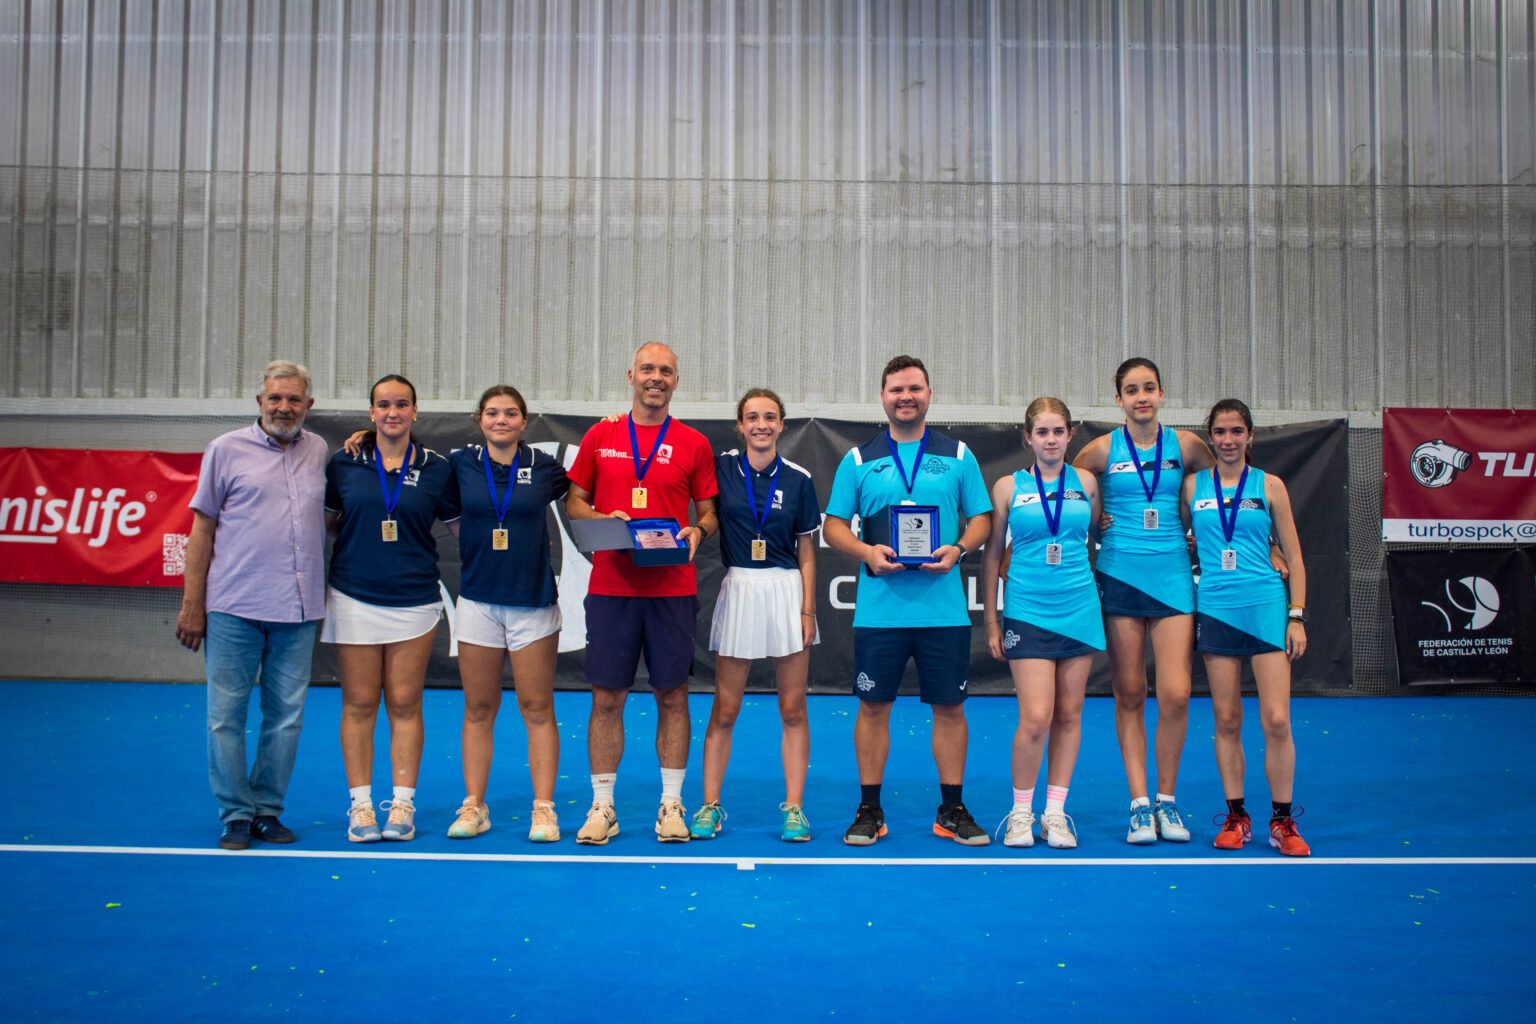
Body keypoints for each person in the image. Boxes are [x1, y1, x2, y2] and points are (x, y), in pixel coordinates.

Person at [823, 355, 994, 847]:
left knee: (950, 708)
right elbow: (834, 525)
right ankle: (870, 809)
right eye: (897, 389)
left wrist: (960, 547)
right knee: (873, 708)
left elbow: (980, 517)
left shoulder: (959, 454)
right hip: (881, 611)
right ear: (882, 396)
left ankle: (953, 808)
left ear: (929, 394)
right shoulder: (859, 459)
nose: (906, 397)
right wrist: (865, 552)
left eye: (915, 388)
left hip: (943, 610)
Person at [565, 342, 719, 844]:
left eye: (666, 371)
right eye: (648, 369)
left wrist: (698, 531)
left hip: (672, 587)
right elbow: (575, 504)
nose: (656, 378)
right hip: (612, 587)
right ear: (630, 374)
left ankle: (671, 804)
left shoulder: (694, 443)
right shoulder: (600, 434)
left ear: (677, 381)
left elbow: (709, 512)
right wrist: (601, 519)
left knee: (673, 695)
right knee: (607, 697)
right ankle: (602, 807)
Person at [175, 360, 328, 850]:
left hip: (299, 612)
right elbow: (201, 529)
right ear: (259, 402)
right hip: (233, 607)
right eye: (275, 399)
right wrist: (192, 604)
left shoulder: (320, 450)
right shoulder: (224, 450)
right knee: (226, 716)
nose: (284, 407)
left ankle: (267, 810)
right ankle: (236, 814)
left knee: (286, 717)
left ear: (309, 405)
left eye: (293, 400)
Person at [1072, 357, 1213, 845]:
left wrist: (1198, 528)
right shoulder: (1100, 449)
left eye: (1149, 387)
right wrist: (1097, 515)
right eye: (1131, 390)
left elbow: (1218, 488)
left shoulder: (1187, 445)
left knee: (1175, 694)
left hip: (1173, 575)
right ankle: (1138, 805)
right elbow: (1070, 488)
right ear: (1118, 399)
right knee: (1130, 692)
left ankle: (1167, 802)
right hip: (1119, 574)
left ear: (1161, 393)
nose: (1141, 397)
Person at [323, 375, 454, 843]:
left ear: (415, 411)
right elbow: (330, 525)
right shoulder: (344, 461)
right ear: (371, 412)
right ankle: (360, 806)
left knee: (404, 702)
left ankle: (403, 802)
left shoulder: (439, 469)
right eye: (383, 405)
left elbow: (463, 528)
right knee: (359, 703)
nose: (392, 412)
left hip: (416, 599)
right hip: (353, 595)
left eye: (401, 404)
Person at [690, 388, 821, 843]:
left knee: (792, 708)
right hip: (740, 586)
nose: (761, 424)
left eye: (770, 417)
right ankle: (709, 805)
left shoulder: (800, 479)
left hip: (786, 590)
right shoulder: (721, 466)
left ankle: (795, 809)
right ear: (739, 425)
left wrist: (808, 609)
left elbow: (807, 549)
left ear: (782, 424)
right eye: (752, 417)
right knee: (725, 709)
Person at [1182, 399, 1311, 856]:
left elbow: (1293, 557)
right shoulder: (1193, 486)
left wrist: (1296, 615)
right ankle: (1237, 816)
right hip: (1216, 607)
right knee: (1227, 719)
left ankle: (1282, 821)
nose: (1228, 440)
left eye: (1237, 431)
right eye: (1220, 432)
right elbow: (1178, 539)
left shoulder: (1271, 485)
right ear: (1210, 436)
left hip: (1266, 609)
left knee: (1276, 720)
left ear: (1250, 436)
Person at [442, 385, 570, 842]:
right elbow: (399, 455)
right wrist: (362, 433)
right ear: (479, 420)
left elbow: (586, 490)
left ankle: (544, 808)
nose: (502, 420)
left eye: (511, 413)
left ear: (524, 421)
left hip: (533, 603)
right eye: (493, 413)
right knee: (478, 708)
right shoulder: (459, 464)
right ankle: (474, 805)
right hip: (478, 601)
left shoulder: (545, 468)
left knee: (537, 707)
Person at [982, 398, 1104, 849]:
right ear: (1028, 438)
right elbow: (993, 555)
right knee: (1036, 717)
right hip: (1027, 609)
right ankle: (1020, 813)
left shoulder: (1087, 484)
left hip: (1079, 607)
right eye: (1042, 432)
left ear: (1071, 435)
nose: (1050, 440)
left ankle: (1054, 813)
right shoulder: (1007, 488)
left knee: (1069, 715)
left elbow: (1097, 532)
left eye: (1058, 432)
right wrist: (992, 623)